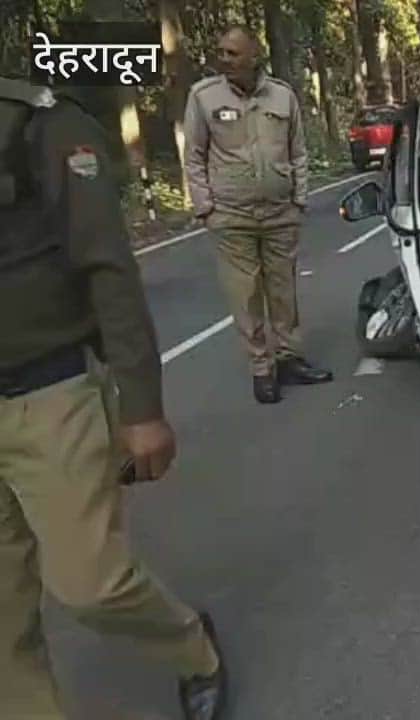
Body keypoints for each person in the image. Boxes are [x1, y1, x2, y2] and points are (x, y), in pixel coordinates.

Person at [0, 77, 227, 719]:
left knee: (89, 585)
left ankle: (193, 650)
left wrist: (142, 407)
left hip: (48, 393)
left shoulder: (38, 125)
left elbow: (108, 267)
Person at [182, 25, 333, 404]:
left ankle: (290, 359)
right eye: (221, 52)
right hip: (231, 216)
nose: (224, 59)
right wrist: (206, 208)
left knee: (283, 291)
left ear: (255, 56)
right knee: (245, 295)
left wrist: (299, 200)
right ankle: (261, 369)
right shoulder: (203, 96)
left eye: (233, 53)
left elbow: (297, 151)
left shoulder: (282, 96)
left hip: (281, 212)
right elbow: (194, 155)